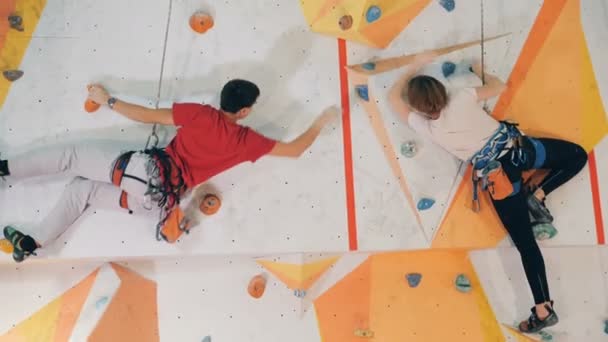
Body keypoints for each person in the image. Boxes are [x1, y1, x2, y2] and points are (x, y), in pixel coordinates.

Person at [0, 79, 339, 262]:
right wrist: (320, 122)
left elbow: (147, 115)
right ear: (246, 111)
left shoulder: (200, 114)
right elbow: (295, 150)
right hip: (159, 204)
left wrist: (109, 101)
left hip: (145, 175)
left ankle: (5, 170)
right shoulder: (246, 140)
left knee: (73, 156)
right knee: (81, 191)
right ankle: (34, 242)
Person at [388, 52, 587, 333]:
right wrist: (482, 69)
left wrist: (413, 66)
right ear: (442, 90)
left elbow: (394, 97)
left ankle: (544, 308)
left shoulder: (428, 127)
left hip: (500, 180)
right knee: (577, 156)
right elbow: (498, 86)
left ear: (419, 109)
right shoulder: (461, 97)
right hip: (521, 152)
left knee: (527, 245)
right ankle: (539, 194)